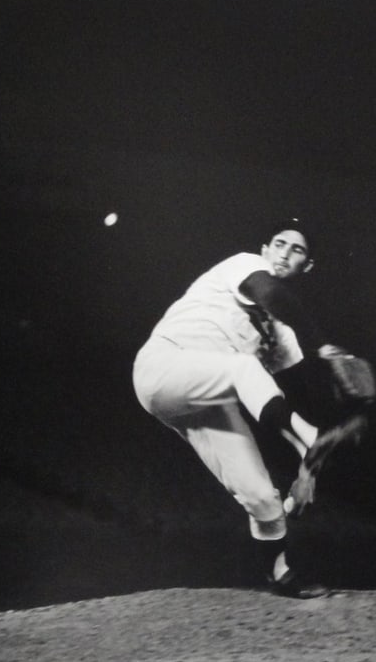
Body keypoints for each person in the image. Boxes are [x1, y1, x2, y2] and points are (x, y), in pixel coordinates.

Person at [132, 218, 362, 599]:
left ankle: (280, 575)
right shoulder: (244, 267)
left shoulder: (283, 336)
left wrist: (309, 472)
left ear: (307, 267)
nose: (285, 253)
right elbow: (271, 293)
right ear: (265, 250)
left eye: (297, 250)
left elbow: (301, 394)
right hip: (162, 367)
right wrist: (322, 344)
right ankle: (310, 441)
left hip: (207, 395)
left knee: (261, 495)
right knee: (244, 368)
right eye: (279, 243)